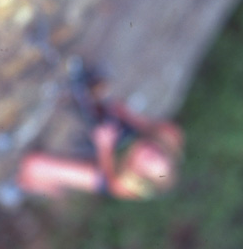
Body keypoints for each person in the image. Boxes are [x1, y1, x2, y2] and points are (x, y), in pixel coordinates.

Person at [16, 77, 184, 200]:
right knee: (93, 95)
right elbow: (128, 114)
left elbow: (110, 180)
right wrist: (113, 106)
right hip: (124, 145)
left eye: (147, 161)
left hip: (108, 170)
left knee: (32, 165)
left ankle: (49, 188)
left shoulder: (130, 185)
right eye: (156, 153)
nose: (147, 151)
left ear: (140, 170)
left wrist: (104, 147)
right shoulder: (164, 135)